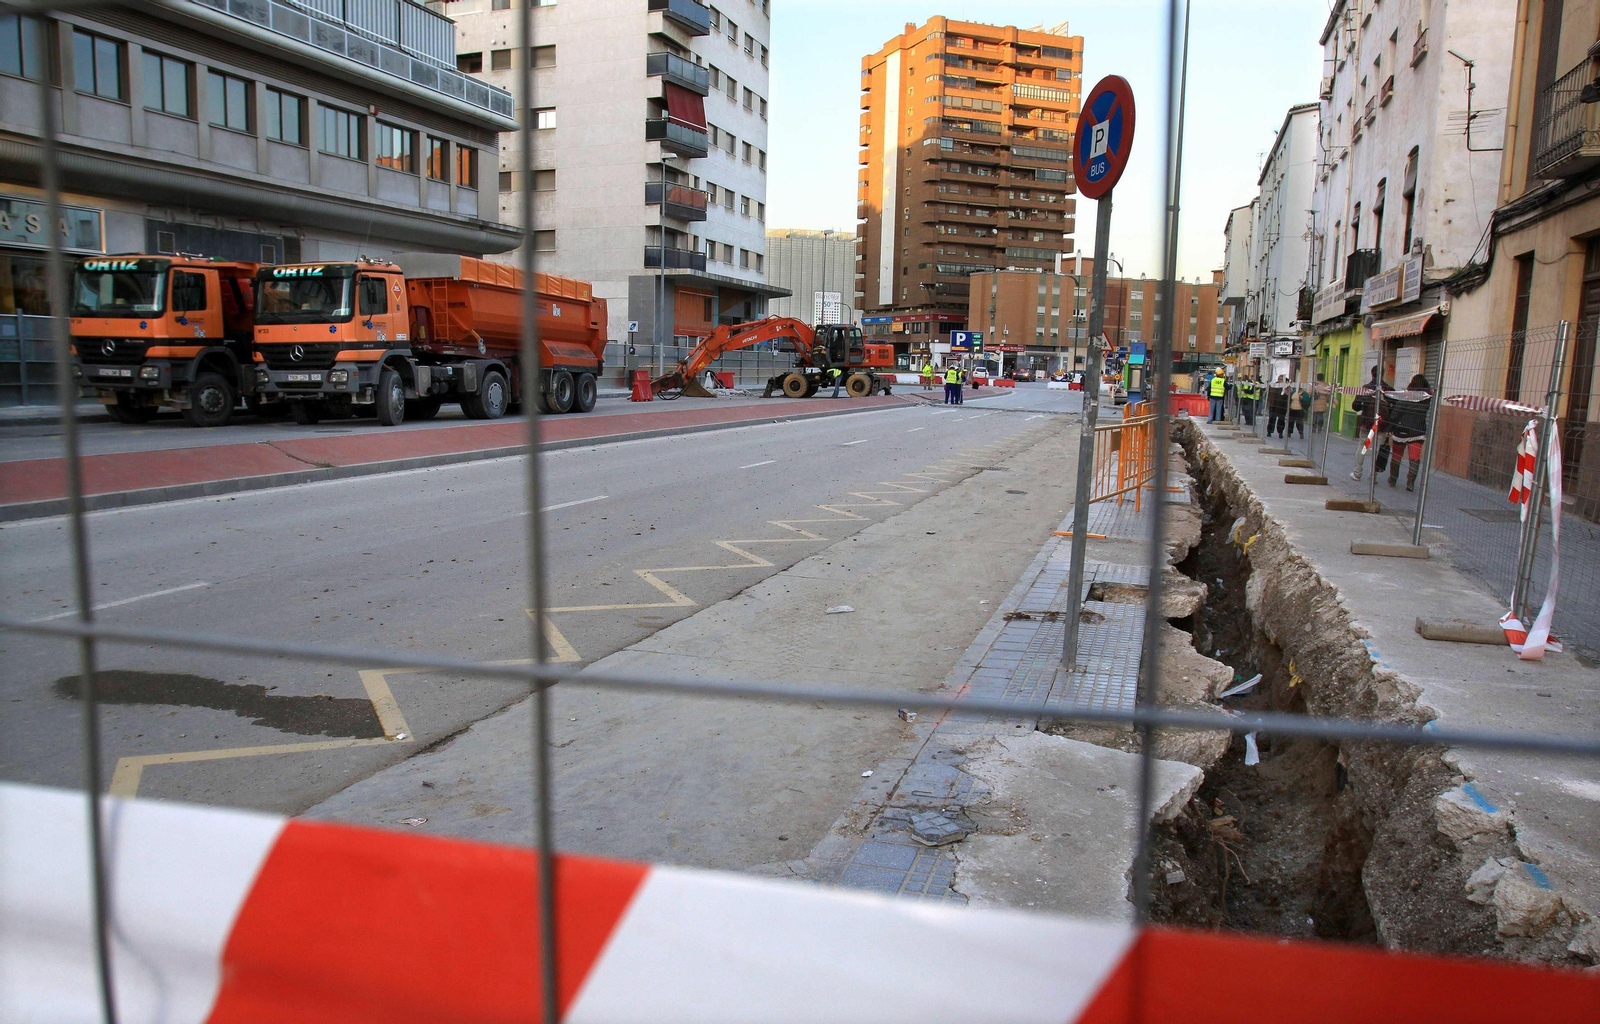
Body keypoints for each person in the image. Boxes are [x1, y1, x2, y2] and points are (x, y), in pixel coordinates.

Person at [1386, 373, 1432, 491]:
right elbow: (1433, 393)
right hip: (1418, 431)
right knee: (1414, 458)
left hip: (1401, 431)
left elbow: (1396, 414)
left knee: (1397, 455)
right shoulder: (1426, 399)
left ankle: (1393, 479)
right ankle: (1410, 482)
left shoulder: (1406, 396)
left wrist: (1390, 427)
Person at [1349, 365, 1393, 481]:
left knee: (1363, 447)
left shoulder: (1366, 388)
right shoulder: (1389, 389)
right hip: (1382, 425)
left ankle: (1357, 473)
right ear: (1383, 374)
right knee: (1378, 450)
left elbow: (1355, 406)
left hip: (1367, 424)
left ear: (1371, 374)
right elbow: (1393, 409)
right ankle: (1373, 475)